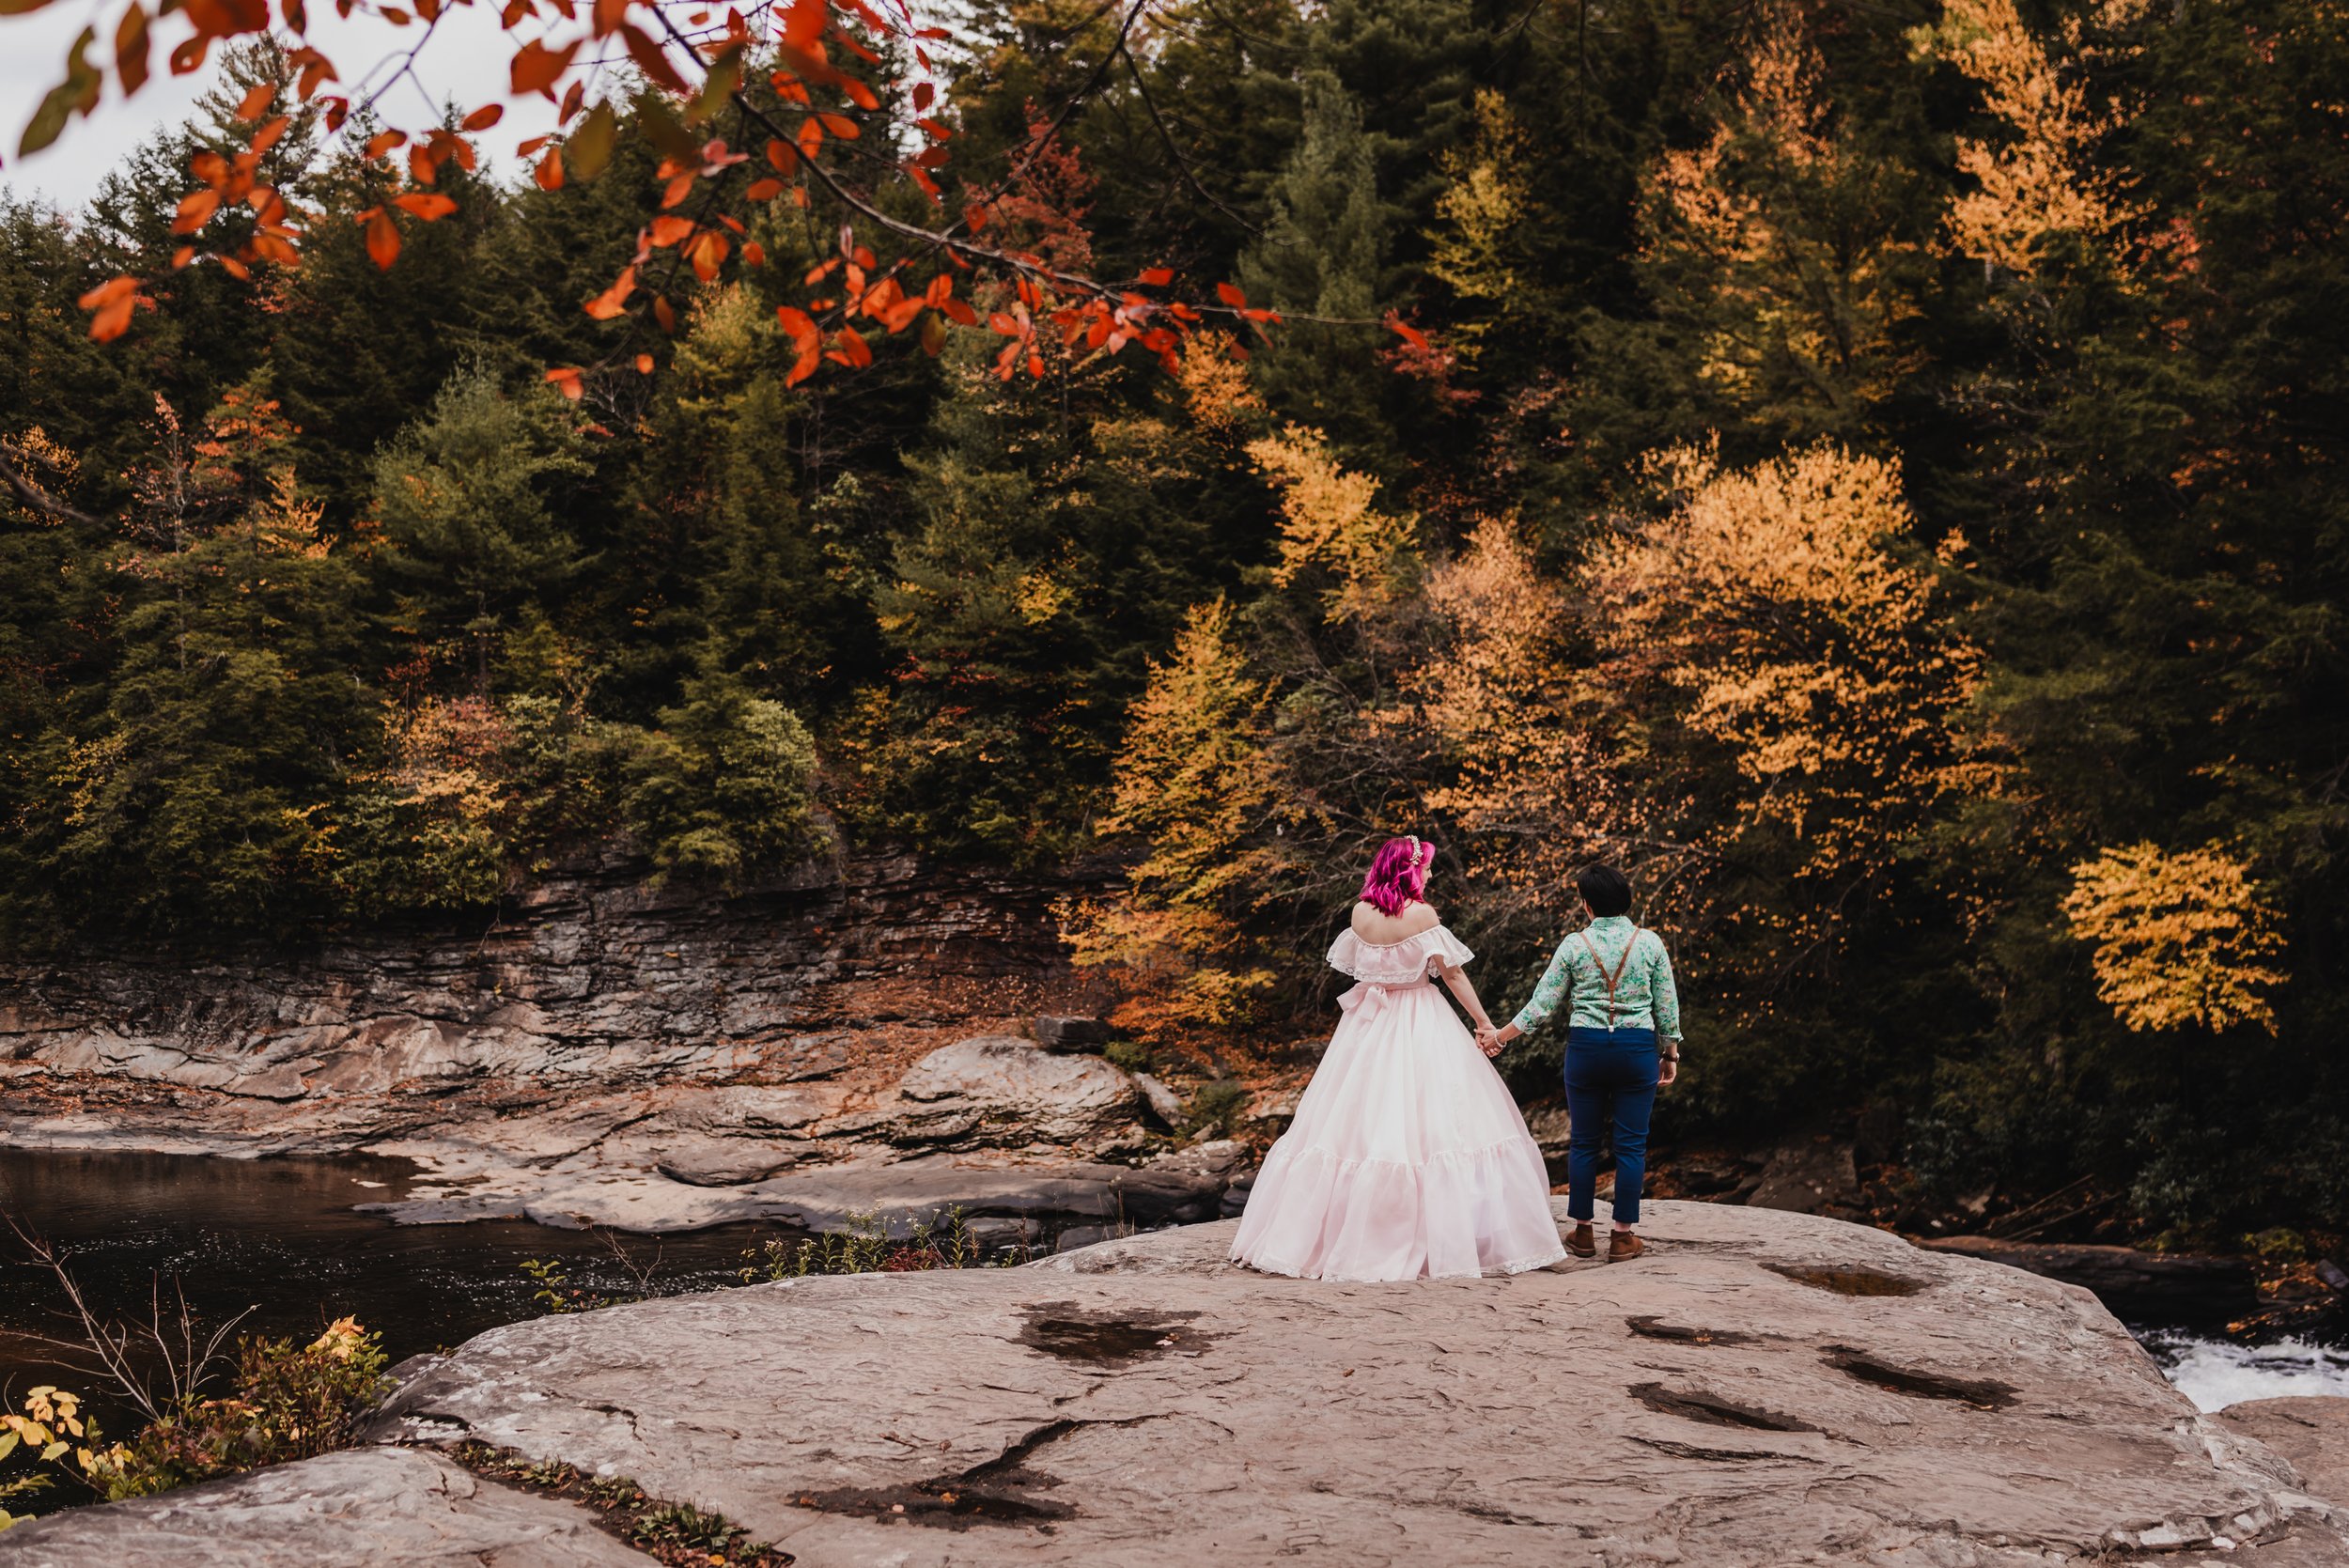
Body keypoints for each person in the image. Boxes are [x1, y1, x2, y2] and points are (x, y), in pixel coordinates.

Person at [1229, 835, 1567, 1281]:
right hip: (1417, 1018)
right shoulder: (1422, 915)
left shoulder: (1359, 913)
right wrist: (1485, 1025)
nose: (1430, 873)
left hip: (1366, 1027)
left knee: (1356, 1126)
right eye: (1426, 866)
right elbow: (1453, 974)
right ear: (1410, 869)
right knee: (1435, 1126)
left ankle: (1340, 1235)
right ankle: (1437, 1238)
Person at [1479, 862, 1680, 1263]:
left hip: (1586, 1050)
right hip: (1636, 1049)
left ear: (1587, 906)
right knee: (1631, 1145)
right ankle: (1622, 1236)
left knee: (1584, 1143)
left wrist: (1499, 1037)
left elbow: (1542, 1006)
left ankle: (1584, 1233)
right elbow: (1667, 1006)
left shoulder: (1574, 945)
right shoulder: (1650, 943)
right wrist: (1669, 1053)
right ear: (1625, 900)